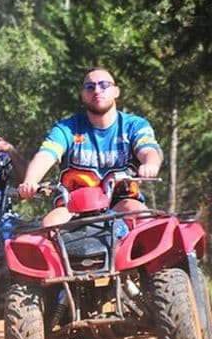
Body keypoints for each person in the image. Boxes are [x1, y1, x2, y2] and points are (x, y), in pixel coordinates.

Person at [18, 67, 163, 226]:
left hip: (122, 200)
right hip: (72, 204)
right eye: (90, 86)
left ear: (116, 91)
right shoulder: (67, 128)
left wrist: (150, 164)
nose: (97, 90)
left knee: (144, 220)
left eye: (104, 85)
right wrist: (30, 181)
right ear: (82, 95)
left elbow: (148, 150)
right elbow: (46, 155)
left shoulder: (134, 125)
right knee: (48, 225)